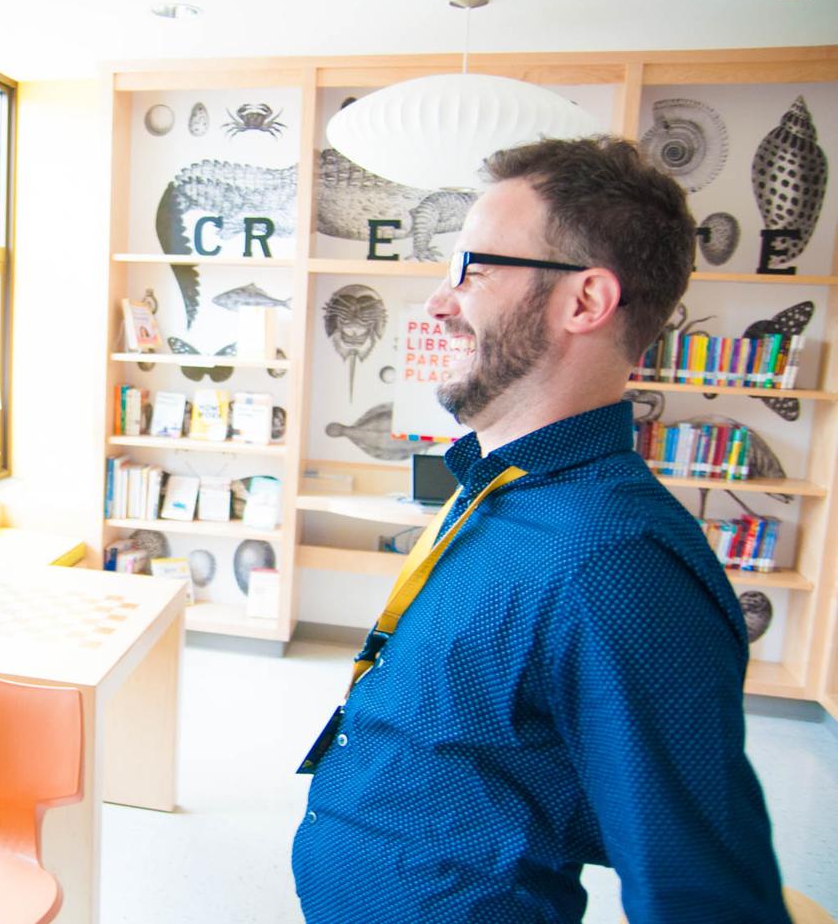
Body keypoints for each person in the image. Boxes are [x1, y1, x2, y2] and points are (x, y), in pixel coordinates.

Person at [291, 138, 791, 924]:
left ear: (585, 301)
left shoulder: (620, 562)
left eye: (473, 268)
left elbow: (702, 893)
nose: (438, 302)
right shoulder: (497, 485)